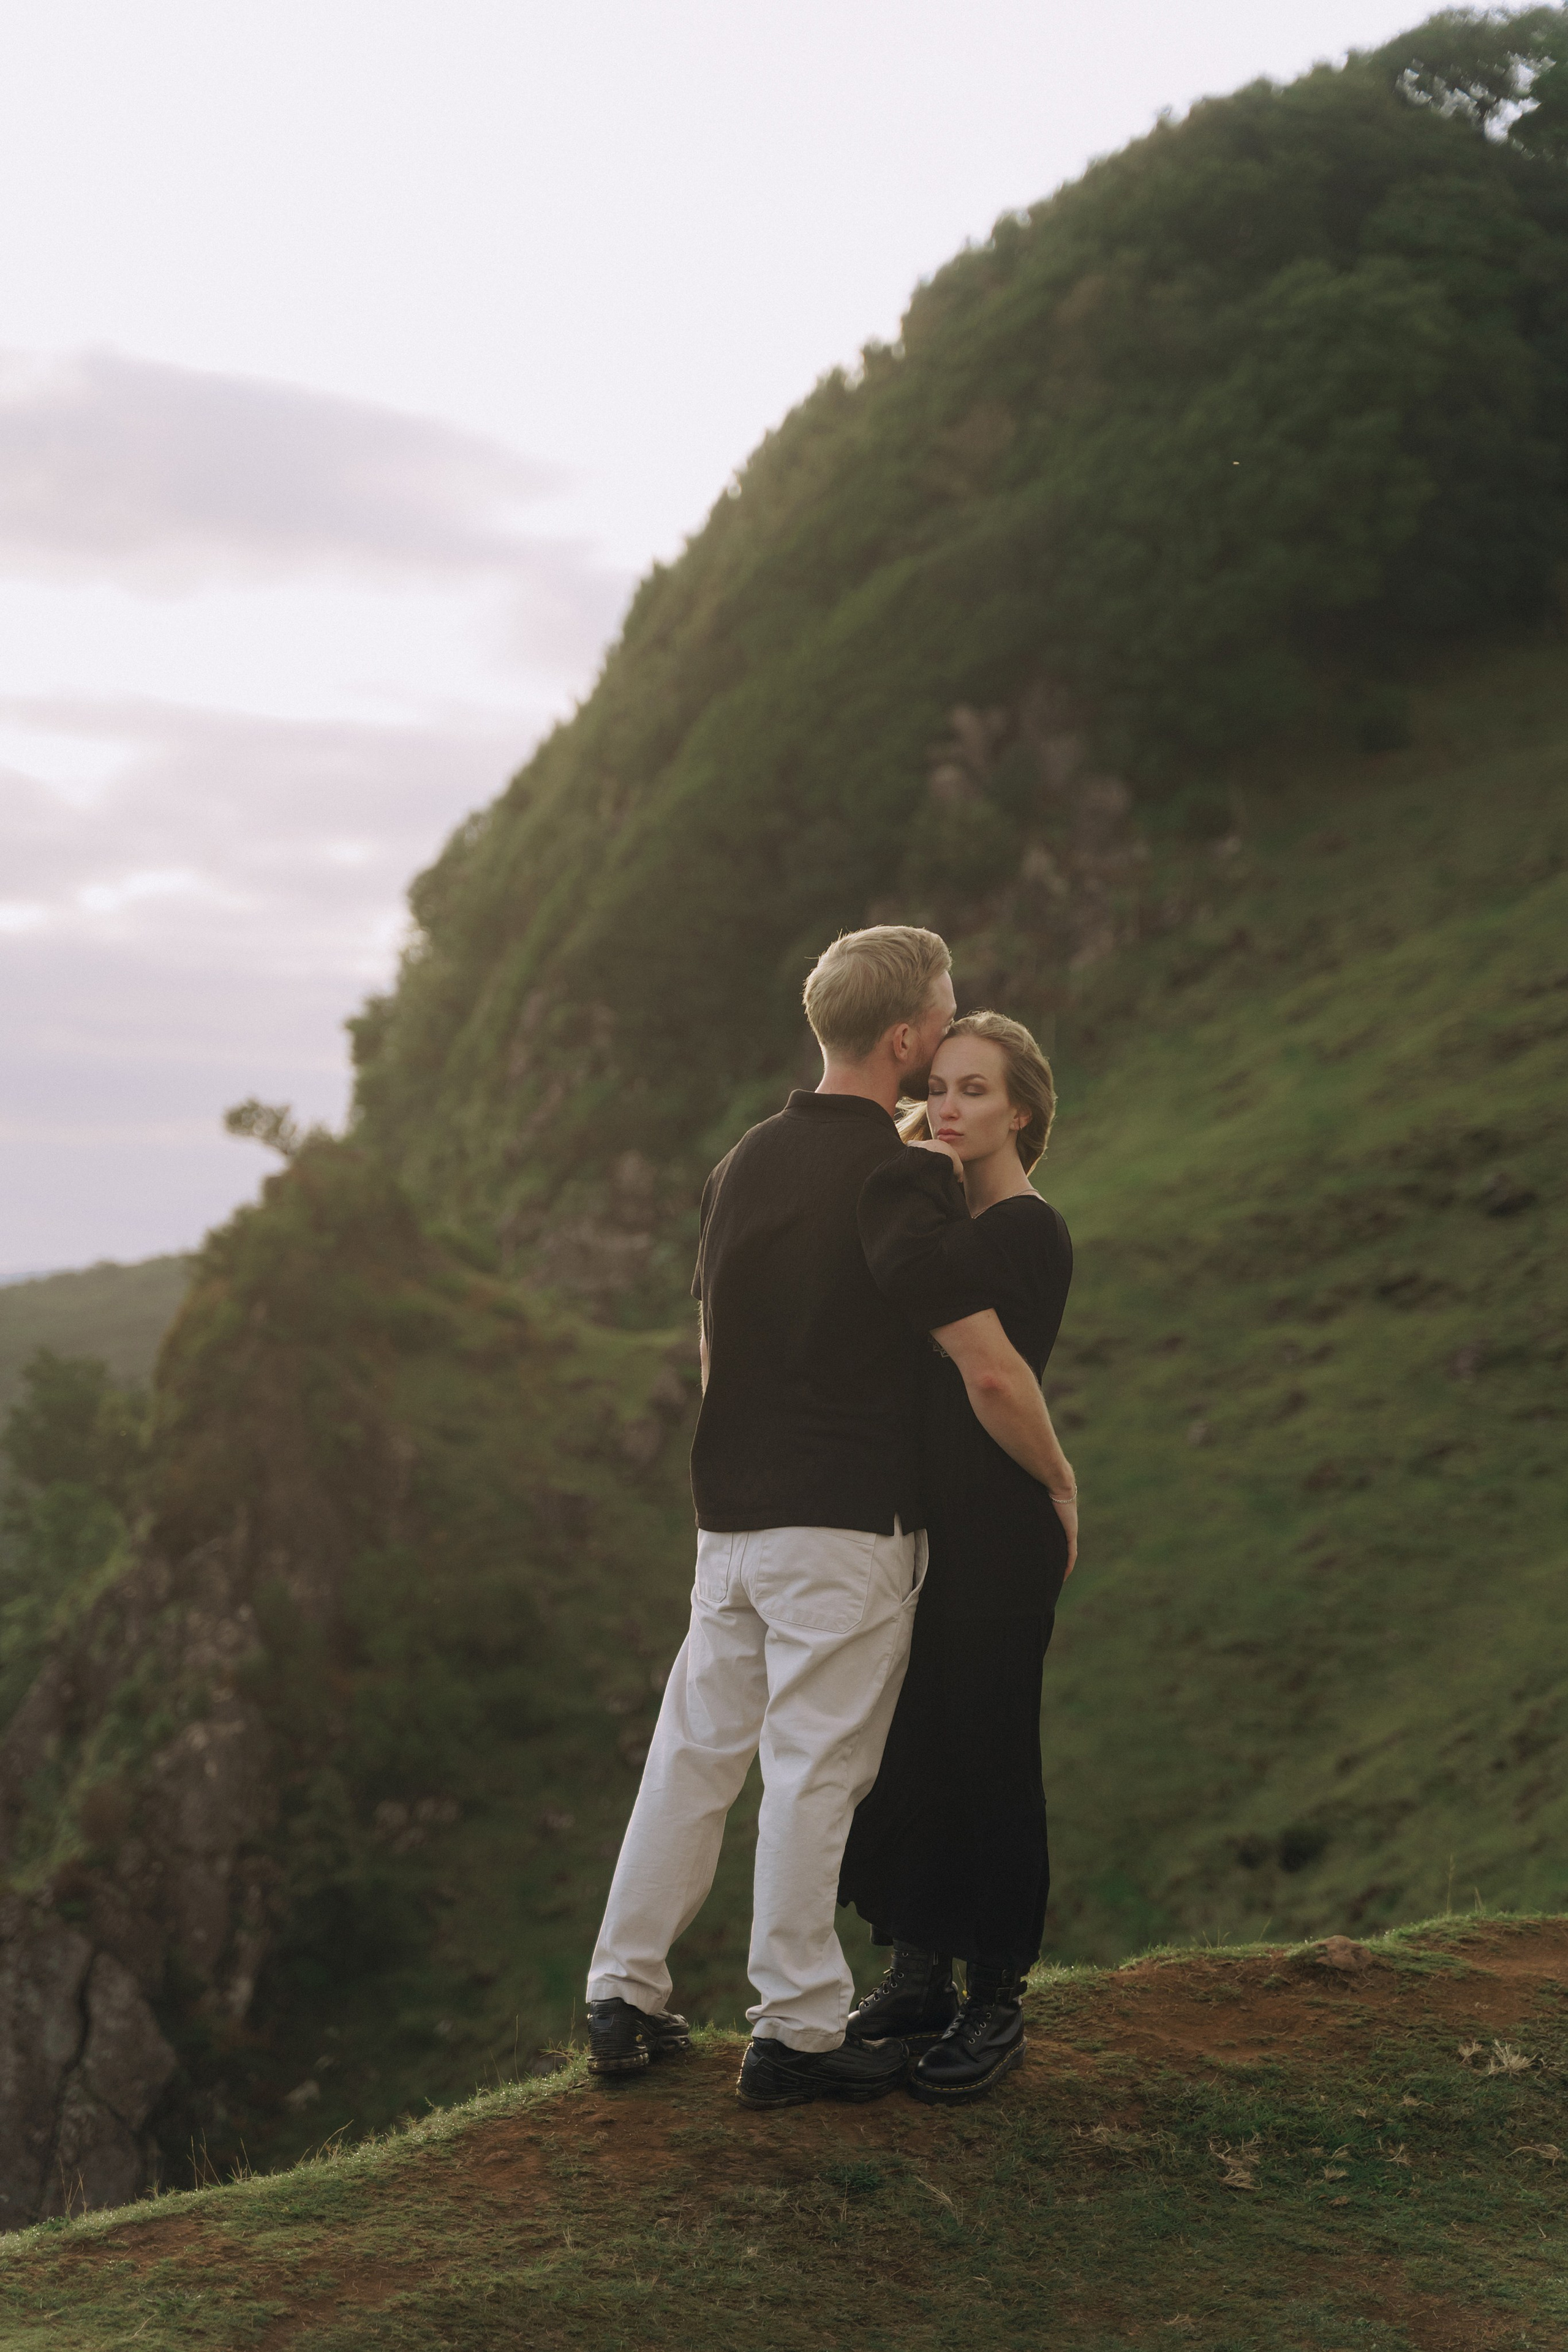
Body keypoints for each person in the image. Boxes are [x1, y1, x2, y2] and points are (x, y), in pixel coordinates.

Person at [584, 924, 959, 2108]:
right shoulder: (903, 1175)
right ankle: (797, 2030)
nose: (950, 1030)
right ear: (905, 1038)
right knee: (812, 1770)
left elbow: (713, 1352)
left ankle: (621, 1994)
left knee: (692, 1754)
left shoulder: (743, 1161)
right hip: (845, 1521)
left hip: (730, 1516)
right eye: (944, 1015)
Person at [838, 1011, 1077, 2104]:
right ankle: (918, 1971)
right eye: (936, 1088)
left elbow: (992, 1378)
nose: (947, 1107)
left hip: (995, 1530)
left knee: (988, 1755)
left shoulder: (1025, 1231)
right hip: (924, 1527)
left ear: (1022, 1110)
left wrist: (1060, 1485)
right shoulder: (949, 1216)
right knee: (912, 1747)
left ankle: (996, 1998)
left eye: (975, 1090)